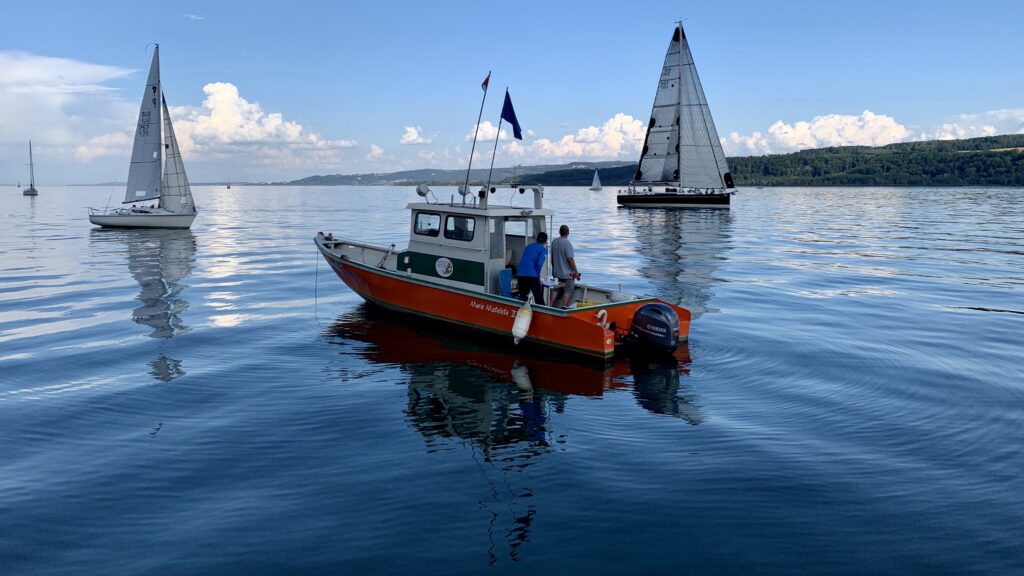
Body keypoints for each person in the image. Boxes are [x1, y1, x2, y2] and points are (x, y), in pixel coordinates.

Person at [549, 224, 580, 308]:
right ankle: (564, 306)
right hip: (567, 274)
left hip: (556, 273)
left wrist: (554, 268)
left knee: (556, 288)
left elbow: (552, 258)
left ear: (559, 232)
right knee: (568, 290)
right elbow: (570, 259)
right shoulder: (567, 244)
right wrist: (576, 272)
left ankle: (550, 305)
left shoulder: (554, 242)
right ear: (568, 233)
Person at [516, 232, 548, 303]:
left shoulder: (528, 247)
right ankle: (542, 313)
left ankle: (521, 312)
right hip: (532, 275)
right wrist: (538, 275)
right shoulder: (543, 250)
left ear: (537, 239)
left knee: (523, 297)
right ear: (545, 241)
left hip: (520, 274)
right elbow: (539, 263)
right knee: (538, 298)